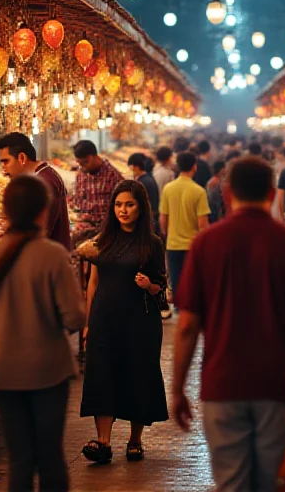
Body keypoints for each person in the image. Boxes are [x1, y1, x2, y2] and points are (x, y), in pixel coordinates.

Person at [171, 157, 285, 491]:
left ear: (227, 195)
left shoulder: (205, 244)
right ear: (272, 194)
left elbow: (186, 326)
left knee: (232, 482)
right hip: (278, 384)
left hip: (221, 384)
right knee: (274, 482)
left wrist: (177, 388)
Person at [0, 174, 85, 492]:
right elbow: (75, 318)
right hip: (47, 371)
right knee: (50, 457)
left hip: (3, 372)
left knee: (19, 462)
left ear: (5, 211)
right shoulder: (52, 255)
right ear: (43, 211)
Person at [79, 181, 168, 464]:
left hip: (139, 322)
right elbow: (92, 283)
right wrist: (88, 322)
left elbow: (162, 288)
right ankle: (103, 442)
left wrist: (149, 286)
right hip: (104, 319)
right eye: (118, 205)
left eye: (129, 204)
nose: (123, 210)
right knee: (101, 375)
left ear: (141, 207)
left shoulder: (151, 243)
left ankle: (135, 440)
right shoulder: (103, 240)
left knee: (138, 375)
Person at [0, 133, 71, 251]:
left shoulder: (43, 182)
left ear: (22, 158)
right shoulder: (44, 175)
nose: (3, 168)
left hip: (47, 260)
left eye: (6, 162)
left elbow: (41, 230)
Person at [160, 152, 211, 291]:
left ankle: (178, 309)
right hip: (193, 245)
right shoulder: (199, 191)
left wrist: (168, 235)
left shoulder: (168, 189)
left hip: (173, 245)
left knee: (176, 284)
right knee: (192, 284)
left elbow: (163, 218)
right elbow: (202, 224)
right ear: (194, 167)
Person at [72, 140, 124, 241]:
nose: (81, 167)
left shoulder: (112, 176)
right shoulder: (81, 174)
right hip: (85, 232)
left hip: (107, 233)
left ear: (90, 158)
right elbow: (78, 202)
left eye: (82, 164)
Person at [128, 153, 160, 235]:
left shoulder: (142, 183)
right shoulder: (148, 179)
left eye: (130, 167)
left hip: (146, 223)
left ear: (135, 167)